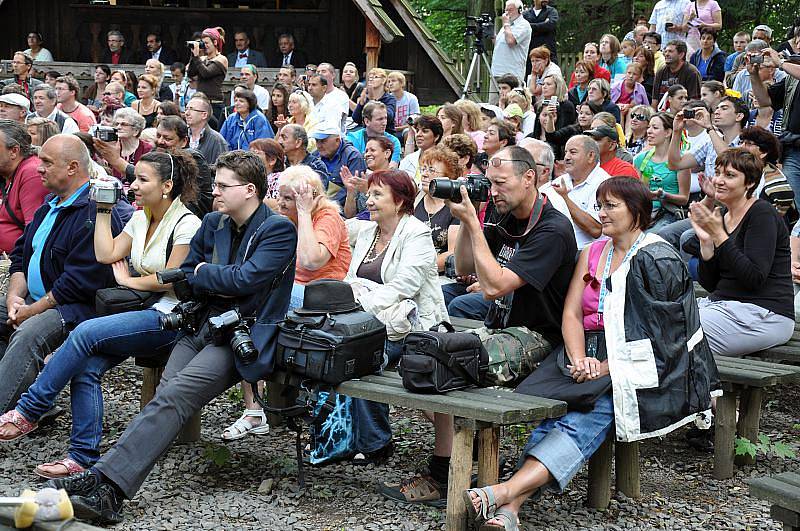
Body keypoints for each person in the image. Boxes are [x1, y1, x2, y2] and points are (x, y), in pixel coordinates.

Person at [43, 151, 297, 525]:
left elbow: (243, 281)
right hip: (200, 324)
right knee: (167, 398)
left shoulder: (277, 229)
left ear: (249, 190)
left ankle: (108, 488)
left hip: (242, 335)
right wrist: (213, 275)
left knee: (175, 396)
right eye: (216, 185)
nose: (215, 193)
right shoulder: (213, 223)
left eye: (224, 186)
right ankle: (104, 475)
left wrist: (207, 272)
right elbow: (185, 278)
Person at [465, 176, 716, 530]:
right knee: (556, 414)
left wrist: (607, 367)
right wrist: (580, 357)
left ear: (638, 211)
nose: (602, 213)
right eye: (600, 205)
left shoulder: (658, 256)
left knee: (588, 414)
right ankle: (509, 507)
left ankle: (506, 493)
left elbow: (665, 337)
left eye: (611, 206)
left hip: (639, 361)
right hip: (585, 352)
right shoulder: (593, 251)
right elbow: (571, 314)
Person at [383, 146, 576, 505]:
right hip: (498, 326)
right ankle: (463, 451)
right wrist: (467, 221)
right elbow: (463, 266)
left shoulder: (552, 228)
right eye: (490, 183)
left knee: (445, 364)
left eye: (501, 183)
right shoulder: (504, 217)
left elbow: (494, 287)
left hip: (539, 338)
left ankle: (444, 474)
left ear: (529, 177)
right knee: (423, 353)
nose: (494, 191)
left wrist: (473, 221)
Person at [0, 149, 201, 478]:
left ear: (166, 186)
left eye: (143, 180)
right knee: (86, 367)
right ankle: (81, 457)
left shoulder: (186, 223)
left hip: (173, 317)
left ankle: (29, 409)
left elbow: (173, 276)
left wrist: (129, 280)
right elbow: (106, 252)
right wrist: (104, 208)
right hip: (140, 312)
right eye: (135, 178)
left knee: (85, 332)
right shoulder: (140, 217)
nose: (134, 185)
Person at [0, 135, 131, 416]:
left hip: (74, 309)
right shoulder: (50, 204)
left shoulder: (95, 211)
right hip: (37, 298)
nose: (38, 168)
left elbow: (79, 283)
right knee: (6, 316)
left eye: (47, 162)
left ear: (72, 167)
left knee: (28, 334)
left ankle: (10, 411)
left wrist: (31, 310)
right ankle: (32, 400)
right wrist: (13, 297)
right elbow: (21, 256)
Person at [344, 169, 448, 467]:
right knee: (347, 350)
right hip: (374, 322)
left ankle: (375, 441)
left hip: (414, 328)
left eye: (377, 195)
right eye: (369, 194)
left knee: (361, 357)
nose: (369, 200)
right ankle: (361, 439)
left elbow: (405, 287)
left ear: (400, 201)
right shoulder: (368, 231)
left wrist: (361, 305)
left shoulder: (416, 233)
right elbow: (336, 228)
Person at [684, 148, 794, 356]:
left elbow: (753, 278)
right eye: (717, 173)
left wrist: (720, 237)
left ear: (750, 183)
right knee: (662, 317)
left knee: (680, 331)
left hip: (765, 313)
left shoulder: (762, 213)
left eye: (730, 175)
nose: (718, 180)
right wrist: (707, 245)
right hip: (724, 307)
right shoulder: (722, 215)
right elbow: (711, 285)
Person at [748, 47, 800, 209]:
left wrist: (781, 62)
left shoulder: (790, 68)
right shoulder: (793, 77)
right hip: (794, 149)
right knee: (793, 202)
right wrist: (754, 74)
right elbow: (764, 100)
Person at [550, 135, 610, 248]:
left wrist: (565, 199)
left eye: (573, 152)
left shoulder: (605, 184)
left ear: (591, 156)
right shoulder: (559, 181)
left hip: (587, 254)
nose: (566, 157)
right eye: (566, 152)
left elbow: (596, 229)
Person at [634, 112, 690, 231]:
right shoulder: (641, 159)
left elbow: (684, 198)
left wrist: (663, 195)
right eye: (649, 127)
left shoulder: (681, 161)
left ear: (668, 132)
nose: (649, 131)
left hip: (667, 212)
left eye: (655, 128)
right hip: (644, 211)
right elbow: (638, 190)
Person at [0, 120, 48, 254]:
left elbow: (35, 235)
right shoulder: (5, 172)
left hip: (14, 262)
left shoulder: (31, 173)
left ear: (14, 151)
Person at [415, 146, 461, 272]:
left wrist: (416, 269)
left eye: (431, 170)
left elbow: (452, 254)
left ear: (448, 177)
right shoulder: (414, 200)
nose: (424, 174)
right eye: (423, 169)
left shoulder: (456, 208)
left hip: (438, 275)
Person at [740, 126, 797, 225]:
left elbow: (785, 197)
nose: (741, 147)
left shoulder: (773, 177)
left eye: (748, 144)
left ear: (763, 152)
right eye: (742, 143)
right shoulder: (741, 171)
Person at [341, 135, 394, 219]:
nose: (367, 154)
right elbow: (349, 215)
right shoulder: (363, 179)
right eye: (366, 151)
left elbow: (393, 211)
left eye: (372, 150)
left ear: (387, 153)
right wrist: (351, 192)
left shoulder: (397, 179)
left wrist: (368, 191)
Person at [313, 123, 366, 205]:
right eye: (317, 141)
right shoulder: (315, 156)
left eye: (323, 141)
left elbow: (352, 189)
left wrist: (326, 204)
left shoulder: (353, 157)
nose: (319, 145)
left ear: (337, 140)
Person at [187, 27, 228, 124]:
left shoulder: (221, 59)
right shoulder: (202, 59)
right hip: (201, 102)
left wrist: (197, 58)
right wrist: (193, 56)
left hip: (214, 103)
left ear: (215, 42)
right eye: (202, 43)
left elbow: (206, 73)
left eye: (206, 43)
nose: (204, 46)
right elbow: (191, 73)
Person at [490, 0, 532, 91]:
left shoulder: (523, 25)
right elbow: (499, 44)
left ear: (520, 10)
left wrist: (506, 24)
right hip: (497, 72)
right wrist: (491, 35)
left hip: (512, 74)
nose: (507, 13)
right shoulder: (507, 26)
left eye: (510, 10)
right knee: (494, 104)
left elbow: (510, 41)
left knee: (511, 102)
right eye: (506, 10)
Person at [107, 107, 152, 181]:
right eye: (116, 124)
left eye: (124, 124)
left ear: (136, 131)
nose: (118, 127)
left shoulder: (147, 150)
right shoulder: (112, 147)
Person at [653, 40, 702, 106]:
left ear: (681, 55)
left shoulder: (692, 72)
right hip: (662, 113)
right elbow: (655, 99)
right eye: (665, 51)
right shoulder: (661, 71)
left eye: (670, 51)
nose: (666, 54)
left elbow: (694, 101)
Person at [183, 94, 227, 165]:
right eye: (186, 109)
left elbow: (221, 168)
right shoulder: (181, 135)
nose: (186, 113)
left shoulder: (217, 140)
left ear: (204, 115)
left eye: (191, 109)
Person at [532, 74, 576, 143]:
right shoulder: (539, 104)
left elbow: (563, 131)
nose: (544, 87)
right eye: (543, 84)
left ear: (558, 87)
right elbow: (536, 130)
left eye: (548, 84)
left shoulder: (566, 106)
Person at [352, 68, 397, 134]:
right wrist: (361, 104)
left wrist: (372, 100)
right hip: (367, 133)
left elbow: (389, 117)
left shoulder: (390, 99)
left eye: (375, 77)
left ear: (383, 80)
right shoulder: (366, 97)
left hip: (385, 133)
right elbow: (356, 118)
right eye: (370, 77)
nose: (371, 79)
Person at [400, 115, 442, 183]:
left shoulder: (443, 161)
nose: (418, 134)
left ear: (436, 136)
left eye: (425, 131)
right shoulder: (408, 160)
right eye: (417, 130)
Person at [611, 63, 649, 128]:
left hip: (633, 112)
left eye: (634, 74)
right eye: (629, 73)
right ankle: (621, 134)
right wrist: (619, 106)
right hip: (617, 110)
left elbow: (646, 106)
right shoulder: (615, 86)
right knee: (621, 111)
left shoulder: (641, 88)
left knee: (631, 112)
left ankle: (628, 136)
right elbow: (609, 102)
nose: (631, 76)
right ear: (625, 73)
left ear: (639, 76)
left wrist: (631, 106)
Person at [248, 138, 284, 202]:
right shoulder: (250, 179)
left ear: (272, 160)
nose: (249, 158)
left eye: (255, 153)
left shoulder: (279, 180)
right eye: (250, 154)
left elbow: (278, 204)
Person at [524, 0, 559, 65]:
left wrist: (529, 26)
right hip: (530, 59)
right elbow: (522, 29)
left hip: (548, 57)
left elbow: (550, 25)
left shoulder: (552, 11)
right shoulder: (526, 14)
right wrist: (543, 24)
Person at [387, 71, 418, 137]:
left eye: (393, 81)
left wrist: (399, 128)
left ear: (402, 83)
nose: (390, 84)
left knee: (407, 132)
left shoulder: (411, 98)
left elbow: (416, 119)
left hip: (406, 129)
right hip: (390, 130)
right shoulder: (387, 99)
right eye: (389, 82)